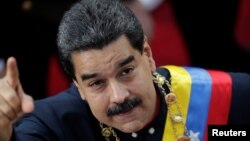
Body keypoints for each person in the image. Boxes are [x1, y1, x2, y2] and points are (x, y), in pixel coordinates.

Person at [0, 0, 249, 141]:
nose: (119, 96)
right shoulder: (54, 123)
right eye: (97, 83)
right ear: (78, 86)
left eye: (126, 71)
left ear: (148, 57)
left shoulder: (232, 95)